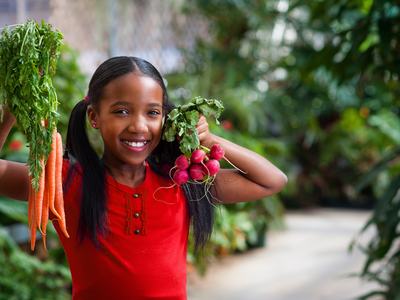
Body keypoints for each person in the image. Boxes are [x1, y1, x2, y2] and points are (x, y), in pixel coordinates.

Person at [0, 56, 287, 300]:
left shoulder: (181, 182)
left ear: (165, 118)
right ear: (94, 117)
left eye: (152, 112)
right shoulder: (65, 182)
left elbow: (271, 180)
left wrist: (210, 138)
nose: (138, 125)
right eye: (122, 111)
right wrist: (8, 115)